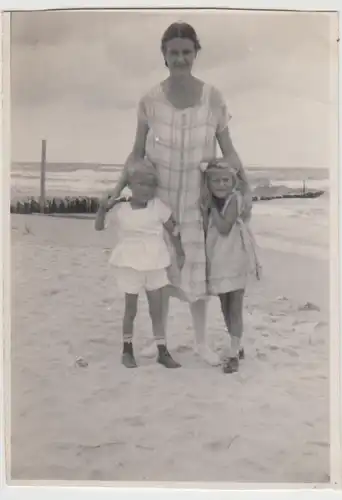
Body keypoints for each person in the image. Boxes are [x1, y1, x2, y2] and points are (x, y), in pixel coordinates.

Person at [99, 21, 253, 366]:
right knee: (160, 270)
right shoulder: (149, 100)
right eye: (174, 53)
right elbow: (136, 154)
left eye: (186, 52)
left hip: (198, 199)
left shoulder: (214, 97)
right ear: (164, 56)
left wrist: (246, 187)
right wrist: (116, 188)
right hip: (161, 197)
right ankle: (160, 341)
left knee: (198, 271)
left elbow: (228, 151)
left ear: (196, 53)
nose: (180, 58)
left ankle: (200, 343)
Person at [95, 159, 184, 369]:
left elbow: (173, 229)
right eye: (141, 184)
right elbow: (99, 227)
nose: (146, 189)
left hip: (155, 263)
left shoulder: (158, 207)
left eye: (151, 185)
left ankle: (163, 351)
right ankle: (127, 350)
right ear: (130, 185)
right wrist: (102, 208)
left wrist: (180, 251)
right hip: (129, 263)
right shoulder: (121, 209)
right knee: (130, 309)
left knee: (156, 309)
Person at [201, 158, 262, 374]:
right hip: (218, 258)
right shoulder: (211, 202)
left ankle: (234, 352)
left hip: (235, 257)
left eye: (226, 180)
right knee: (224, 304)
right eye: (215, 180)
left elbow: (225, 227)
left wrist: (211, 209)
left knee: (234, 305)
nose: (221, 184)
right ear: (207, 183)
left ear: (233, 181)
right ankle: (237, 343)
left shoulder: (235, 199)